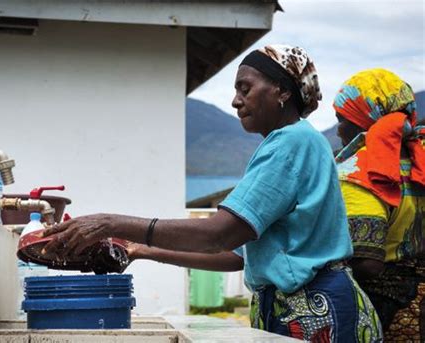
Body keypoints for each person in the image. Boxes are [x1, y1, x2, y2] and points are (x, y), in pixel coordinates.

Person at [42, 45, 382, 341]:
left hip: (315, 314)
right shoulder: (295, 143)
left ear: (282, 91)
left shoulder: (292, 142)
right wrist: (141, 250)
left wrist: (110, 223)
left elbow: (220, 233)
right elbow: (236, 254)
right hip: (300, 308)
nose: (236, 100)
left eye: (245, 88)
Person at [334, 68, 425, 342]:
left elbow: (367, 263)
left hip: (386, 314)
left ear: (364, 118)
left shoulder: (362, 171)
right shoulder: (420, 160)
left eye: (342, 118)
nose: (338, 128)